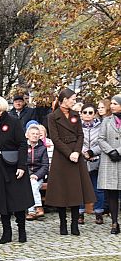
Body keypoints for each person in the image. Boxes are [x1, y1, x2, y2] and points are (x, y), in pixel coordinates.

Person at [46, 88, 96, 235]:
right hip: (61, 157)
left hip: (75, 153)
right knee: (62, 191)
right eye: (73, 99)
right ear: (65, 99)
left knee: (76, 191)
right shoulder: (53, 117)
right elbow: (55, 139)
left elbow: (80, 135)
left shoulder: (75, 115)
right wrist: (69, 153)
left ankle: (75, 224)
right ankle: (63, 224)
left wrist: (76, 151)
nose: (74, 101)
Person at [0, 96, 34, 243]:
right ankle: (6, 232)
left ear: (0, 109)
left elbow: (22, 145)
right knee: (2, 201)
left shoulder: (13, 122)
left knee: (18, 200)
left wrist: (21, 165)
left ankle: (21, 231)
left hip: (14, 167)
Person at [98, 94, 121, 234]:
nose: (112, 105)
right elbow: (101, 139)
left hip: (119, 157)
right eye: (111, 103)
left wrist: (118, 151)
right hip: (110, 160)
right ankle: (114, 223)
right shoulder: (106, 121)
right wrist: (110, 151)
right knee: (112, 193)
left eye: (115, 103)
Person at [79, 103, 104, 224]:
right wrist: (82, 152)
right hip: (81, 160)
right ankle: (80, 213)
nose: (87, 115)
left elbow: (102, 142)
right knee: (80, 187)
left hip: (97, 159)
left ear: (94, 114)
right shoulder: (76, 126)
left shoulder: (101, 126)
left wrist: (92, 152)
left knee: (98, 187)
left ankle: (99, 212)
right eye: (85, 112)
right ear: (81, 113)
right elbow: (74, 140)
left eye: (90, 112)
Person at [25, 124, 49, 221]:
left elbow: (45, 165)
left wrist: (36, 175)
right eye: (33, 134)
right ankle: (38, 207)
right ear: (27, 135)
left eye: (37, 134)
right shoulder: (23, 147)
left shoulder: (42, 148)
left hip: (38, 176)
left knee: (33, 184)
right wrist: (29, 175)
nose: (35, 135)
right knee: (31, 183)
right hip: (25, 175)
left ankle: (31, 211)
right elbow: (22, 163)